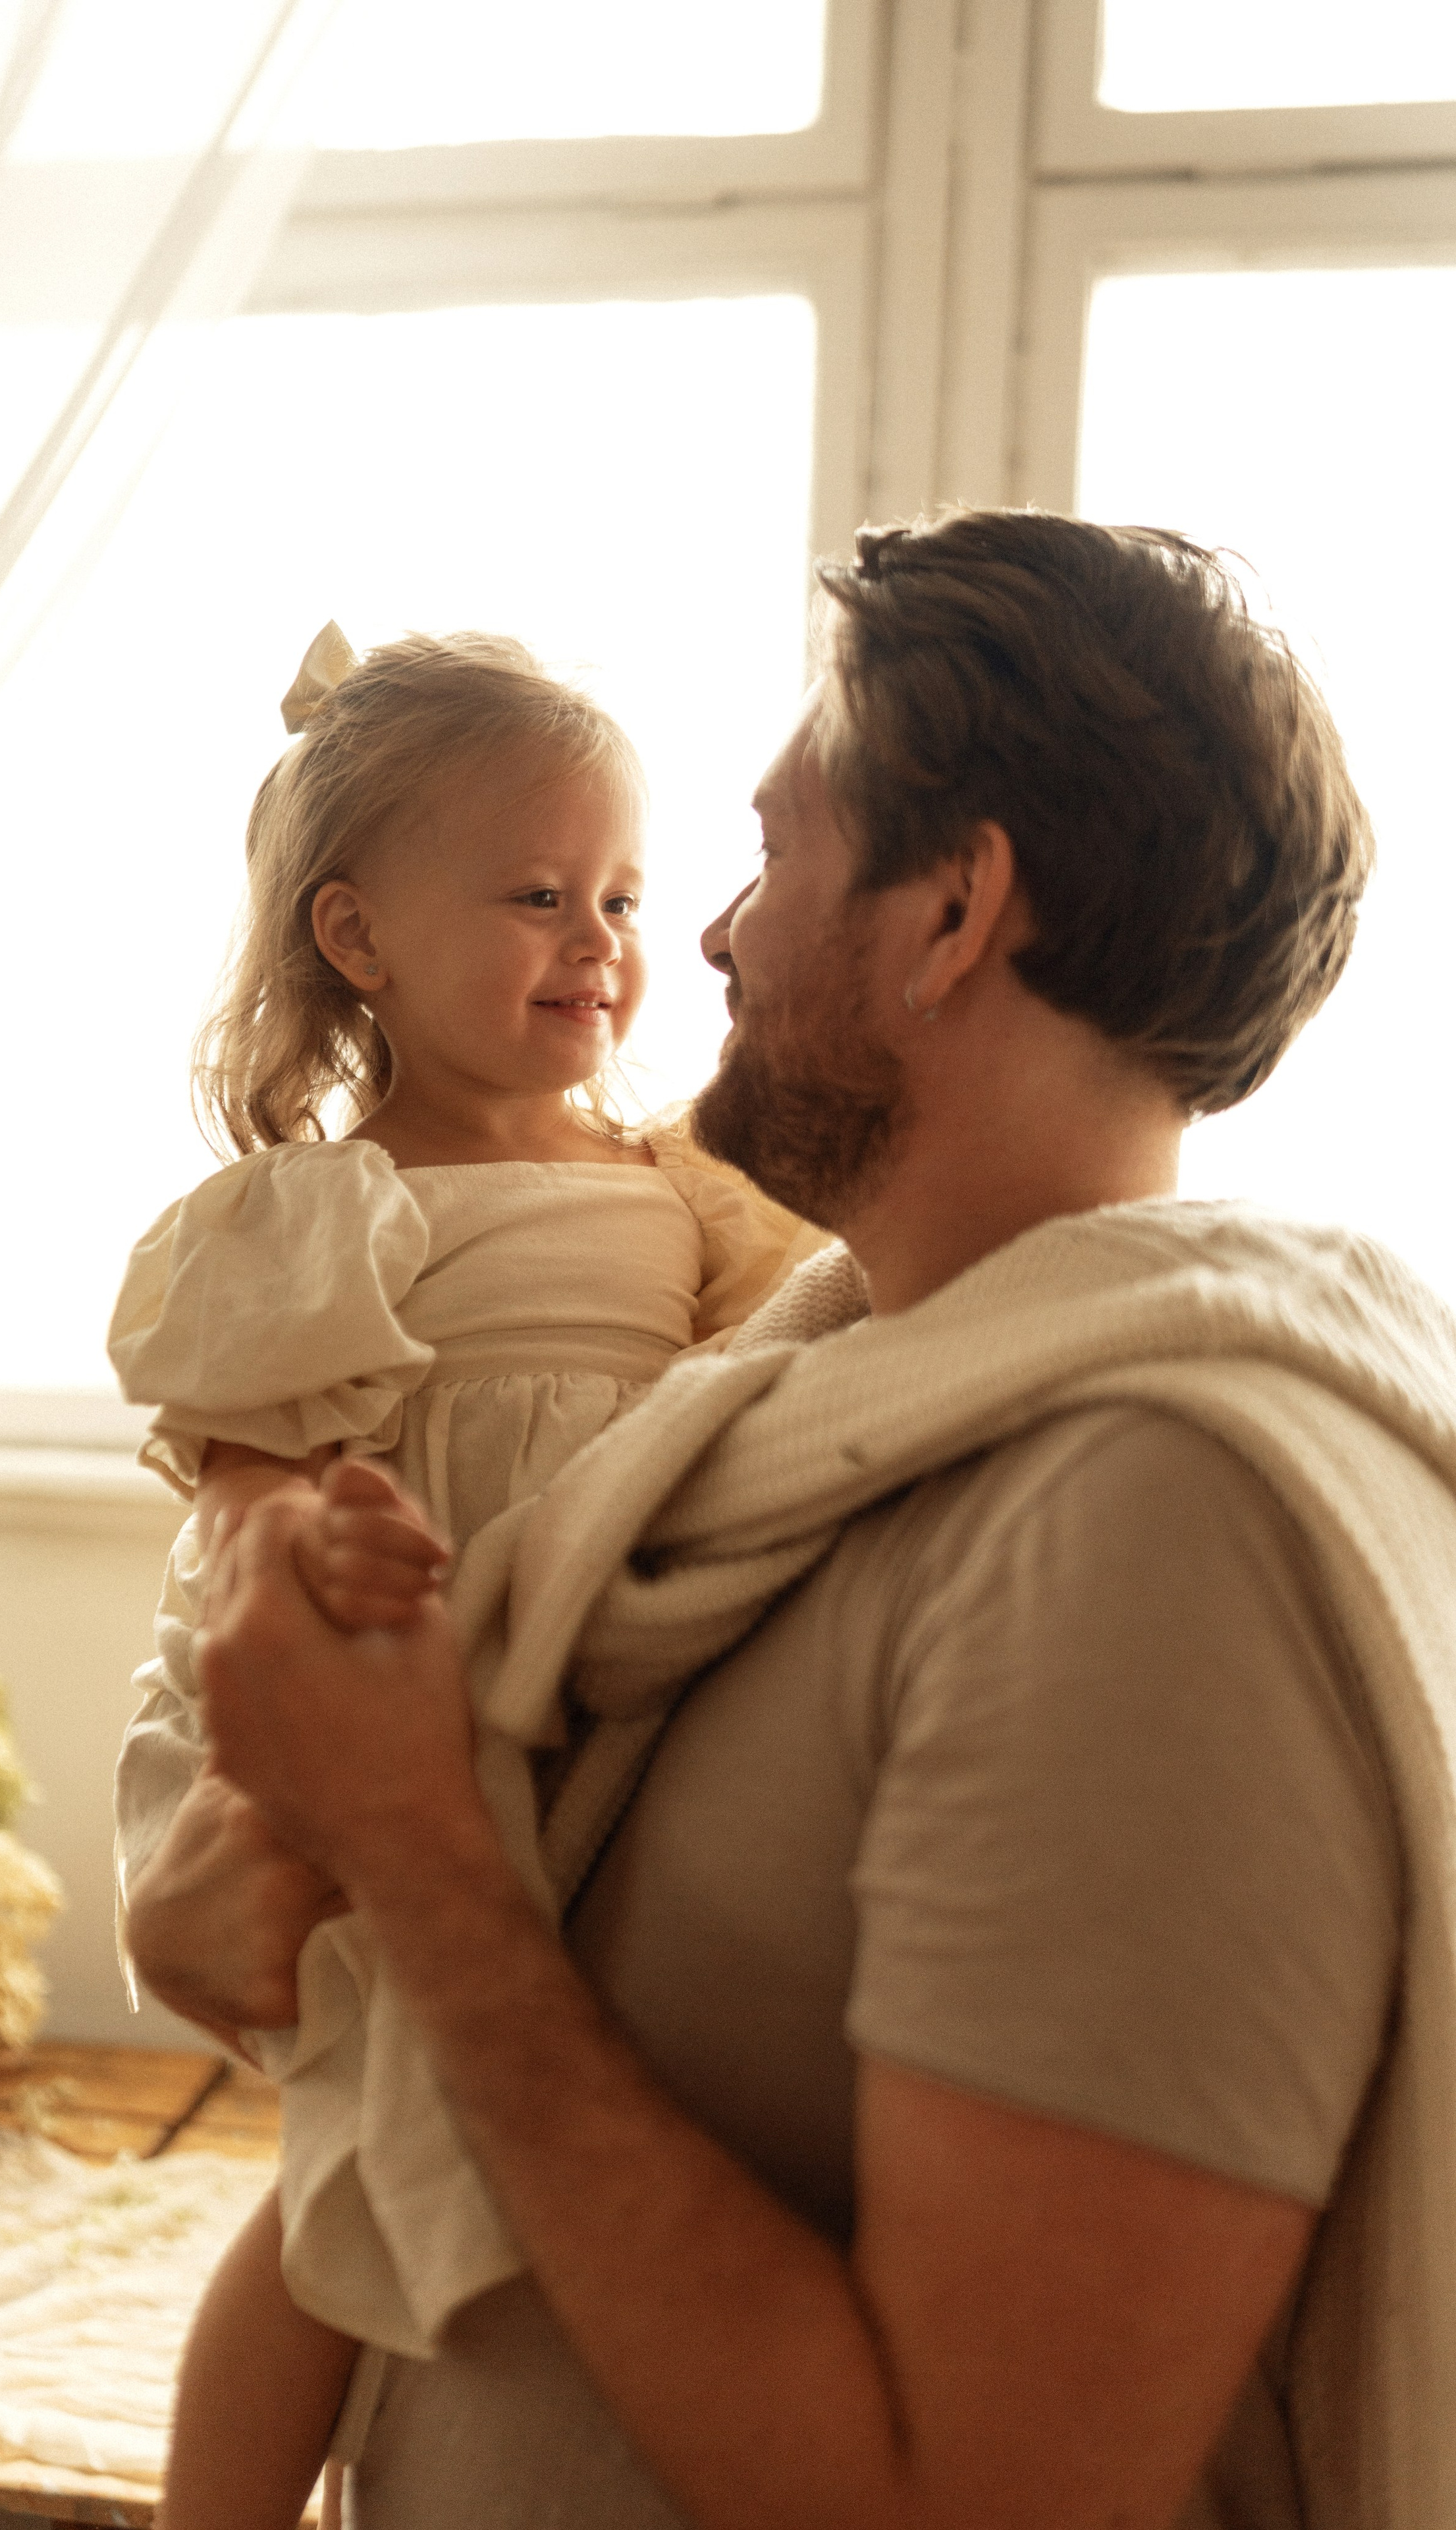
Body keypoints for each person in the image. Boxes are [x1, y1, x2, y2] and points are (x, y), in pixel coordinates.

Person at [121, 512, 1456, 2530]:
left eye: (768, 856)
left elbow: (972, 2502)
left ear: (948, 915)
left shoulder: (1156, 1531)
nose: (712, 940)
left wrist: (407, 1844)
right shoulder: (821, 1401)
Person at [106, 621, 823, 2530]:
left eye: (623, 896)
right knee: (343, 2166)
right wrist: (309, 1543)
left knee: (547, 2114)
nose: (600, 938)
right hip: (371, 1707)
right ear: (359, 941)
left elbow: (774, 1392)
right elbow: (246, 1507)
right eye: (536, 894)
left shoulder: (681, 1188)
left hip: (587, 1694)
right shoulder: (320, 1211)